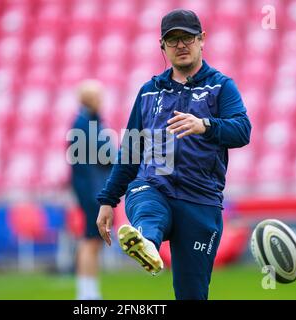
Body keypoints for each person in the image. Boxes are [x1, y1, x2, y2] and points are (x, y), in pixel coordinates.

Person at [96, 9, 251, 300]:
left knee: (191, 294)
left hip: (201, 201)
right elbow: (130, 150)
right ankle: (146, 243)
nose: (180, 45)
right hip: (154, 186)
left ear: (202, 39)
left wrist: (205, 125)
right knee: (146, 203)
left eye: (187, 38)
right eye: (172, 39)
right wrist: (107, 200)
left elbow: (242, 130)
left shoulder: (221, 87)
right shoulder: (148, 92)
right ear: (162, 46)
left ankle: (147, 243)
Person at [70, 79, 113, 300]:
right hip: (91, 189)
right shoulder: (85, 124)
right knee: (90, 240)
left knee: (92, 240)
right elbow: (104, 155)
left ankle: (89, 291)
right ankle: (86, 293)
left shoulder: (86, 122)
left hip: (90, 187)